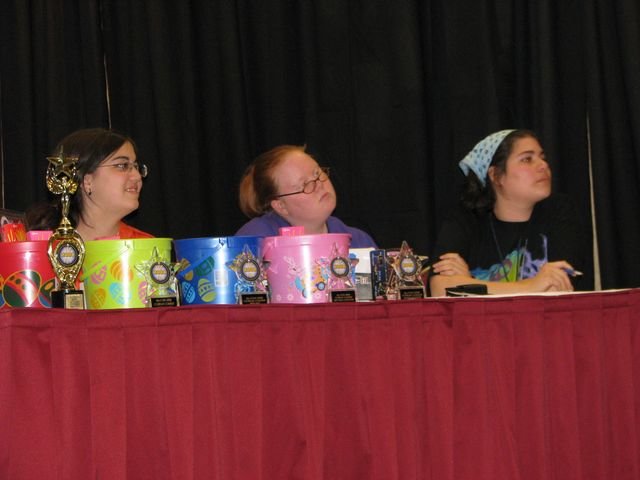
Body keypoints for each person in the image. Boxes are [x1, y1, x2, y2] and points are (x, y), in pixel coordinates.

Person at [429, 129, 589, 297]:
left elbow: (556, 288)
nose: (543, 165)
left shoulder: (560, 210)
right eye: (527, 159)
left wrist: (470, 283)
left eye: (543, 157)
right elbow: (440, 289)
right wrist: (532, 285)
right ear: (495, 175)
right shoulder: (466, 218)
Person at [236, 145, 377, 247]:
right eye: (304, 185)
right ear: (281, 206)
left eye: (317, 173)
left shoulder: (359, 242)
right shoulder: (253, 243)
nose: (319, 183)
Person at [25, 128, 153, 241]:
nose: (137, 176)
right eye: (122, 165)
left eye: (136, 166)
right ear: (87, 181)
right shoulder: (39, 245)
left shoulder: (147, 247)